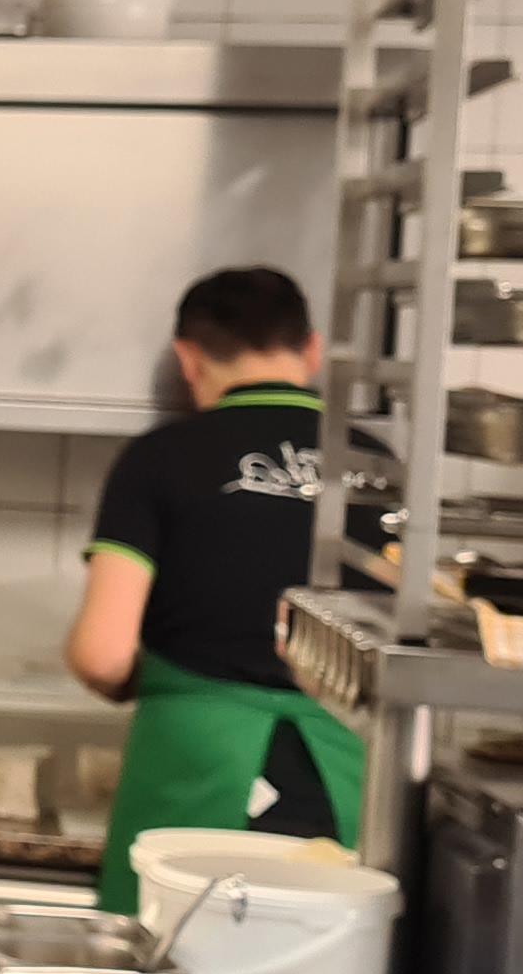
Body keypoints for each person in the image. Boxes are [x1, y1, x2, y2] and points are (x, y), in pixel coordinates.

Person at [65, 263, 371, 906]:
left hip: (197, 770)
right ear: (313, 350)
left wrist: (152, 685)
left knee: (182, 952)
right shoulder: (375, 463)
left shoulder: (160, 458)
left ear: (189, 358)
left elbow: (102, 654)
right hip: (344, 773)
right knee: (323, 952)